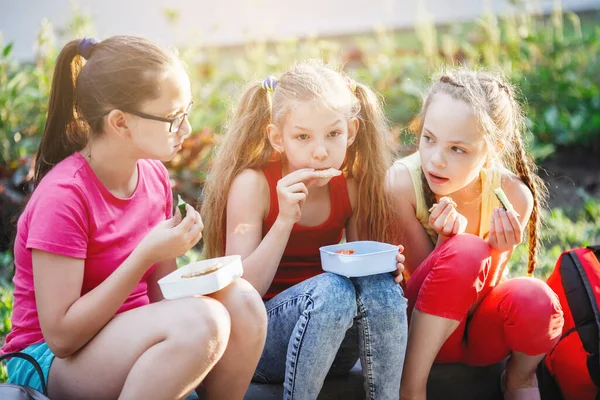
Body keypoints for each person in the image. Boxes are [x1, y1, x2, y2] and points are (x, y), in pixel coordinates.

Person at [2, 36, 267, 400]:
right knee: (205, 322)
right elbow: (61, 337)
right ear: (120, 123)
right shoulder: (64, 197)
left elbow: (160, 300)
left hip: (123, 344)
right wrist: (144, 255)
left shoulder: (154, 176)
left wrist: (191, 271)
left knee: (243, 303)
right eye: (175, 118)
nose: (186, 130)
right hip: (48, 364)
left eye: (186, 113)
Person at [201, 60, 408, 399]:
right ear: (277, 138)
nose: (320, 151)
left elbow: (360, 274)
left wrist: (385, 268)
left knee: (381, 289)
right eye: (302, 137)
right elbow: (242, 291)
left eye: (333, 134)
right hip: (259, 345)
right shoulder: (253, 185)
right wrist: (284, 220)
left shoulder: (350, 187)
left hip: (332, 343)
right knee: (333, 290)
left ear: (351, 132)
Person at [387, 67, 564, 400]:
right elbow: (419, 287)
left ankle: (520, 380)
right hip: (420, 332)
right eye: (428, 138)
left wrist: (496, 253)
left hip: (478, 337)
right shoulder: (401, 183)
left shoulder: (512, 195)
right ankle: (411, 388)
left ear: (493, 147)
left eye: (457, 149)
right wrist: (445, 246)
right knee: (466, 249)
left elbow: (483, 298)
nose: (435, 160)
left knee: (536, 298)